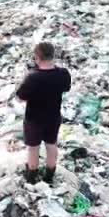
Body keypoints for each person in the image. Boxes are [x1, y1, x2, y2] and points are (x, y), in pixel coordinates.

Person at [16, 42, 71, 184]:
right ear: (53, 56)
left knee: (33, 148)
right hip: (53, 117)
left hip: (34, 119)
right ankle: (49, 175)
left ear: (37, 57)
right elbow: (66, 88)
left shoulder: (33, 77)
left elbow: (20, 97)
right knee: (51, 145)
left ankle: (32, 176)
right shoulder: (63, 74)